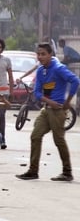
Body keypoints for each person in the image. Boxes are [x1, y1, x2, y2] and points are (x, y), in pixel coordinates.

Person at [16, 43, 79, 182]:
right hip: (47, 109)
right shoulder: (40, 71)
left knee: (59, 140)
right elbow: (37, 93)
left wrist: (68, 101)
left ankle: (67, 172)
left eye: (43, 54)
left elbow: (75, 81)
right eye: (38, 54)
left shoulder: (58, 69)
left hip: (58, 111)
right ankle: (33, 171)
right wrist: (48, 102)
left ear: (51, 55)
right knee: (35, 135)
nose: (40, 57)